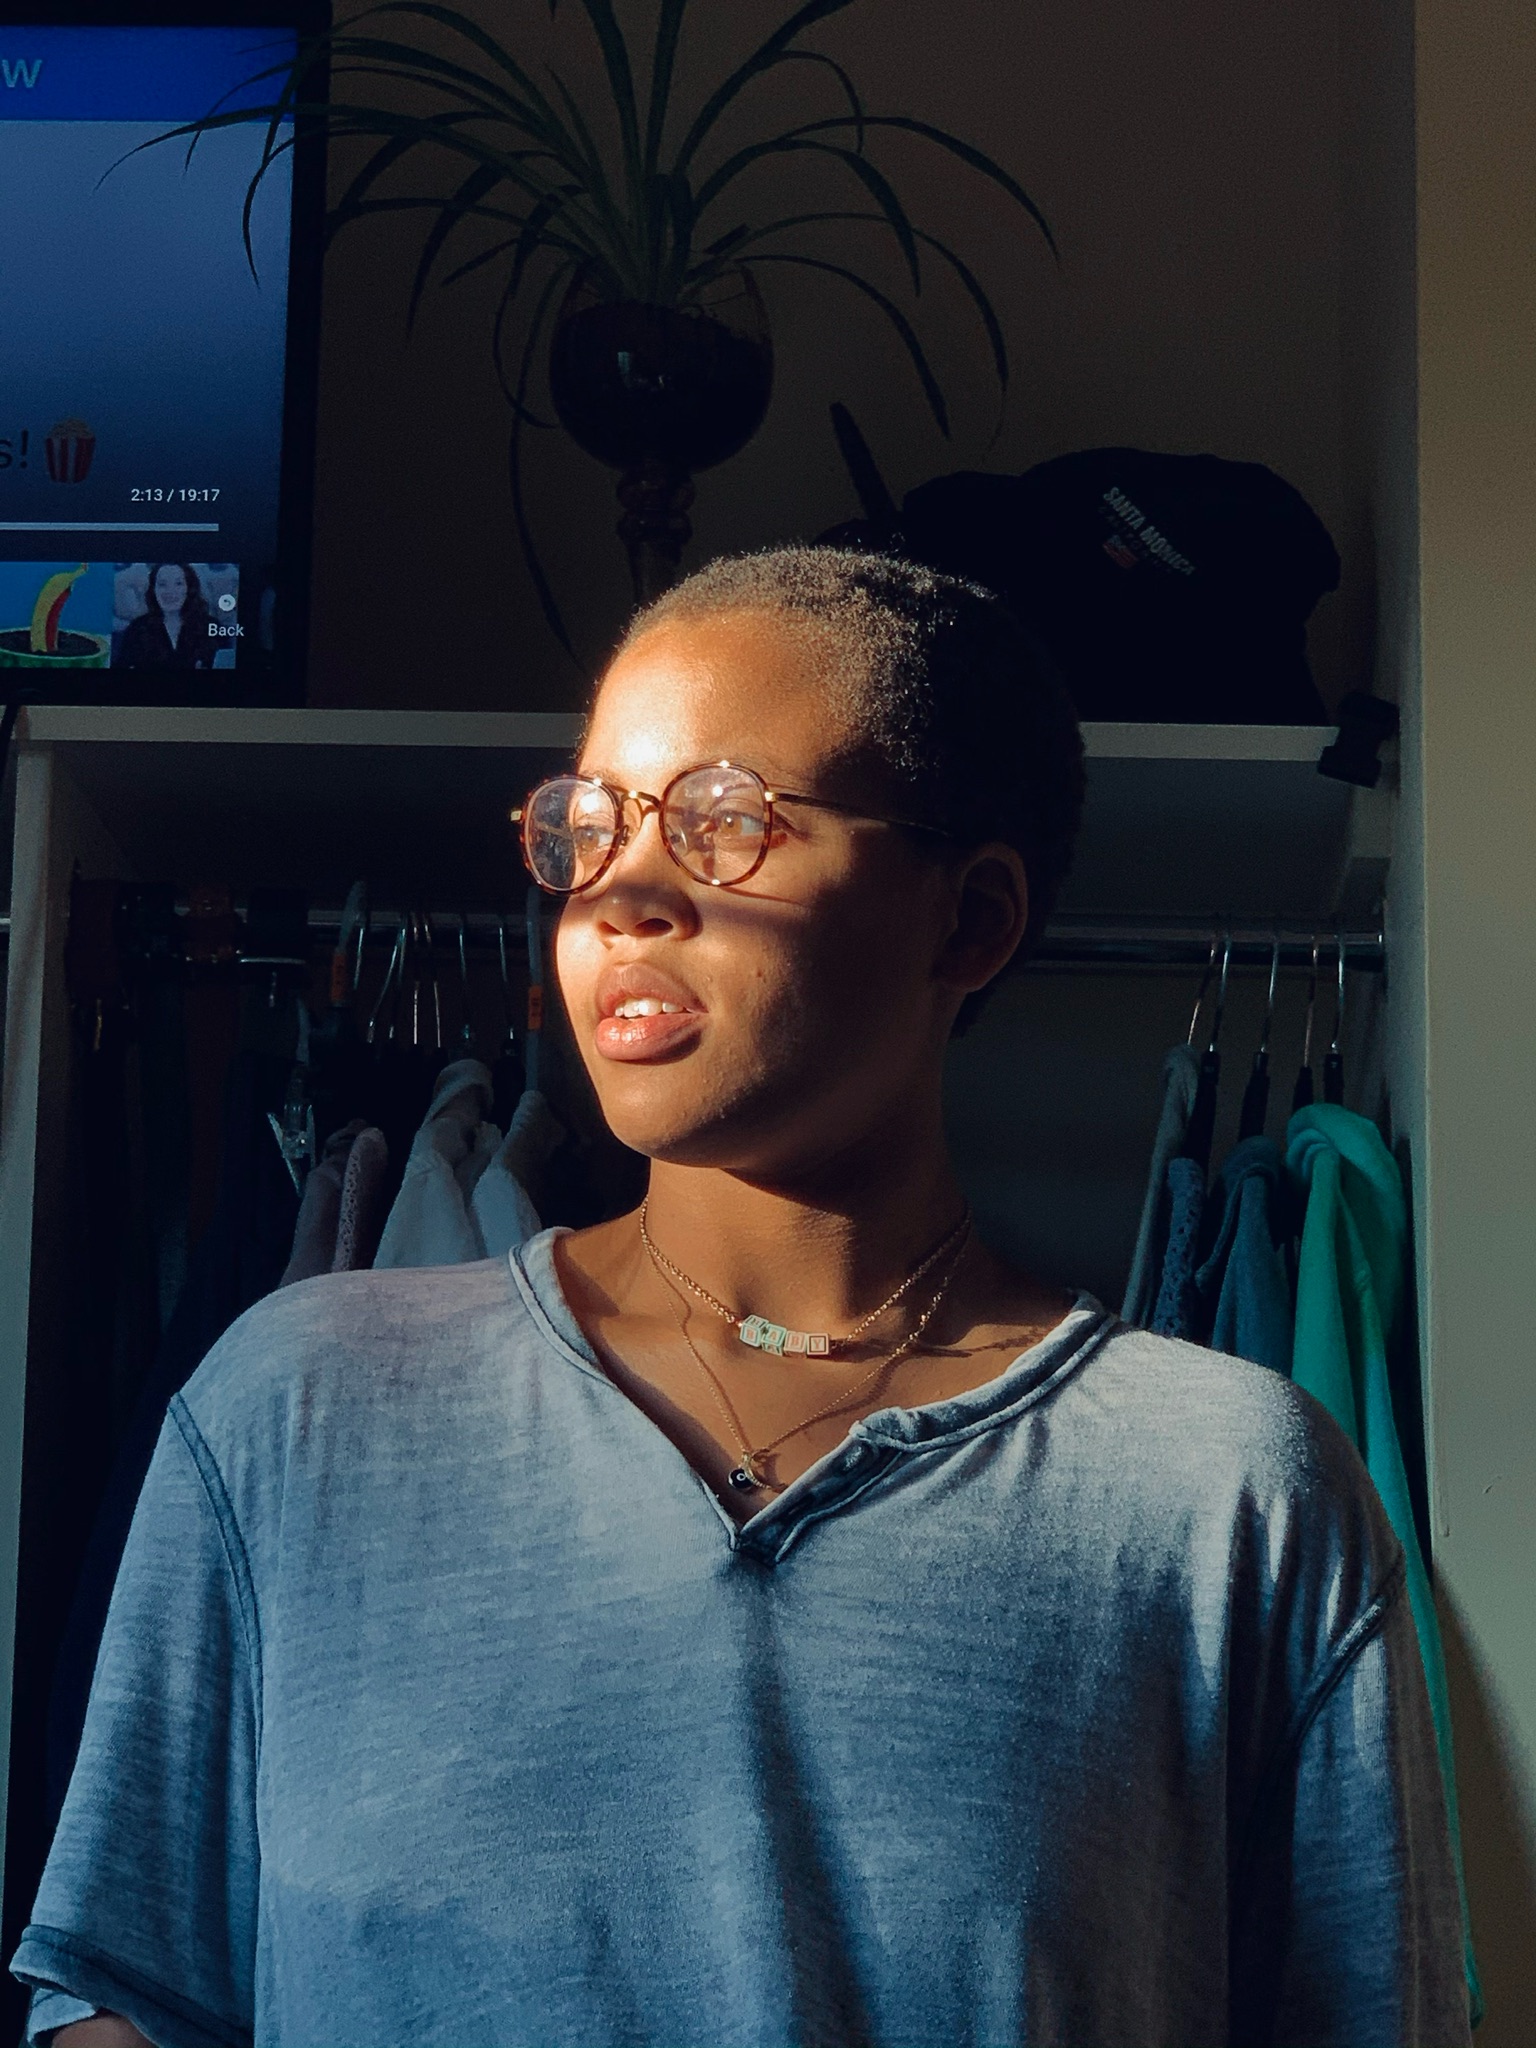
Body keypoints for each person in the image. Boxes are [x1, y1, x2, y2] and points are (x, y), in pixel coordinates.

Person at [12, 549, 1470, 2047]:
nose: (624, 893)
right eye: (588, 825)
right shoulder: (301, 1411)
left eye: (725, 821)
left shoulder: (1229, 1493)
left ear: (970, 919)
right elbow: (122, 1999)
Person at [113, 563, 214, 671]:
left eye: (178, 584)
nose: (170, 591)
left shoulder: (211, 626)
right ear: (154, 590)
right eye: (162, 584)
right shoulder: (137, 628)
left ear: (189, 588)